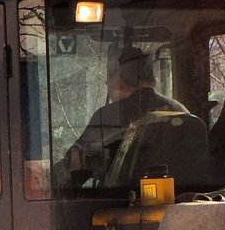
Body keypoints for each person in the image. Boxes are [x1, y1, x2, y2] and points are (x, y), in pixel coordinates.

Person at [53, 43, 199, 190]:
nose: (107, 86)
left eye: (107, 80)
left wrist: (46, 178)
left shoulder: (110, 116)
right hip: (180, 205)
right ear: (153, 80)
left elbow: (73, 170)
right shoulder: (180, 110)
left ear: (118, 77)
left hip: (123, 206)